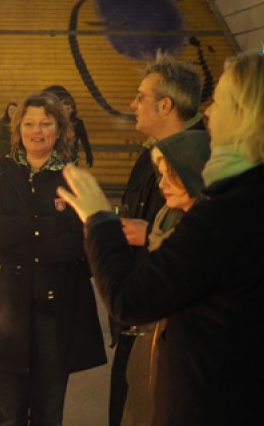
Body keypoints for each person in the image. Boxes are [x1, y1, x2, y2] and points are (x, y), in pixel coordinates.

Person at [58, 51, 264, 426]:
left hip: (214, 404)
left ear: (244, 115)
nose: (208, 113)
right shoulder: (255, 195)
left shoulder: (228, 210)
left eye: (219, 102)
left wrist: (97, 219)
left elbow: (129, 299)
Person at [0, 93, 106, 426]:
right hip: (6, 309)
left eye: (46, 124)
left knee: (49, 411)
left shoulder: (72, 177)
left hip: (56, 308)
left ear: (59, 129)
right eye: (30, 124)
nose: (37, 131)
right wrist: (47, 227)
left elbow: (78, 243)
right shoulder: (0, 172)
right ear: (17, 128)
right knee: (9, 410)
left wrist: (18, 236)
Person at [109, 53, 203, 426]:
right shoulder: (150, 154)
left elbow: (217, 240)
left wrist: (149, 234)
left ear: (166, 105)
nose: (133, 105)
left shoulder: (201, 158)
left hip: (170, 332)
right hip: (142, 321)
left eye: (141, 97)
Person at [121, 130, 210, 426]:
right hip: (150, 362)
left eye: (169, 175)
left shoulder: (207, 237)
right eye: (160, 174)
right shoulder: (164, 218)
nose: (160, 185)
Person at [61, 96, 94, 167]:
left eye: (68, 108)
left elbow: (85, 140)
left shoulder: (78, 123)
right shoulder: (58, 122)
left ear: (72, 110)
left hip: (72, 155)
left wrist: (89, 155)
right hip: (59, 155)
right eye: (64, 108)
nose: (66, 111)